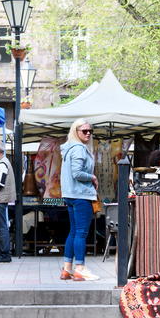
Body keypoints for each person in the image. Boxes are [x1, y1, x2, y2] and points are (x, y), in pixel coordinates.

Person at [60, 118, 100, 282]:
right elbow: (77, 173)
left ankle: (67, 269)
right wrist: (92, 177)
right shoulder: (78, 149)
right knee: (81, 233)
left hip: (70, 195)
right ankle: (80, 268)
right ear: (75, 132)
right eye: (84, 131)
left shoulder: (68, 148)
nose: (88, 133)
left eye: (90, 130)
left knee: (74, 232)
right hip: (81, 195)